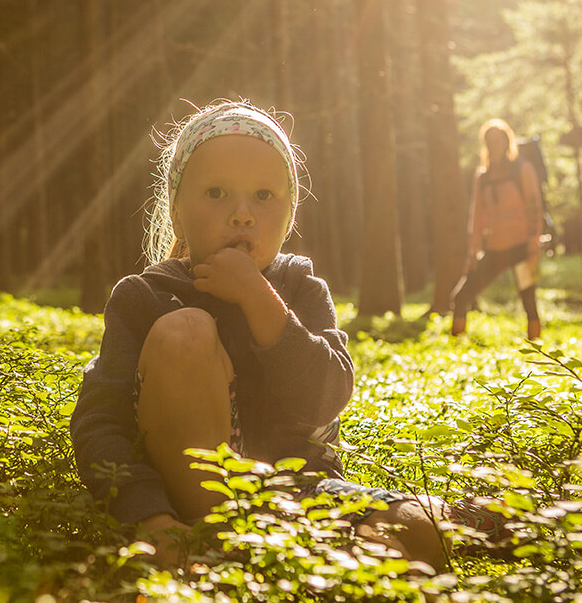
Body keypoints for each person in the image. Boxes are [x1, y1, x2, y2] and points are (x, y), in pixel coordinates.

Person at [69, 101, 452, 572]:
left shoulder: (302, 290)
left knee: (419, 525)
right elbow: (99, 424)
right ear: (177, 211)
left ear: (289, 214)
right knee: (185, 330)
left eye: (264, 196)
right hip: (181, 503)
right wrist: (148, 518)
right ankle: (215, 547)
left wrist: (262, 301)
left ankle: (296, 561)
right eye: (215, 192)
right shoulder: (144, 298)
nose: (242, 214)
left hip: (297, 494)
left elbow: (324, 400)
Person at [450, 119, 543, 340]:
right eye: (489, 140)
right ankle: (455, 350)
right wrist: (472, 253)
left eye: (498, 140)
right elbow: (476, 218)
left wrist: (534, 243)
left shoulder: (524, 170)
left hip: (523, 247)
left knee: (529, 300)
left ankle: (539, 351)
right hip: (494, 249)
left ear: (507, 141)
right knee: (461, 296)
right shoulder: (482, 177)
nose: (494, 144)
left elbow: (535, 206)